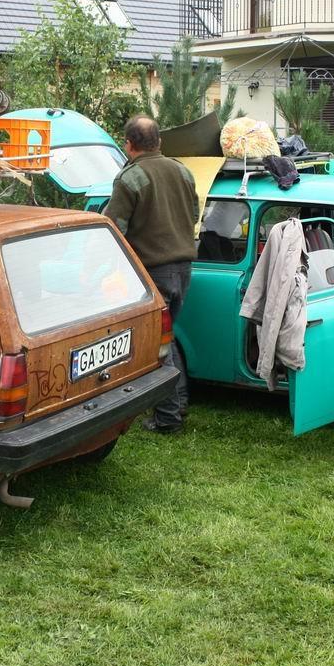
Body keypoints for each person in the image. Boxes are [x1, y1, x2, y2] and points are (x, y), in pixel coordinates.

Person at [103, 115, 199, 434]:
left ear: (129, 144)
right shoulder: (183, 171)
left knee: (156, 345)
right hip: (184, 270)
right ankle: (178, 403)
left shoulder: (129, 178)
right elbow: (194, 215)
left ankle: (168, 417)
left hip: (153, 272)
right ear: (159, 142)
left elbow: (113, 230)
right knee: (166, 339)